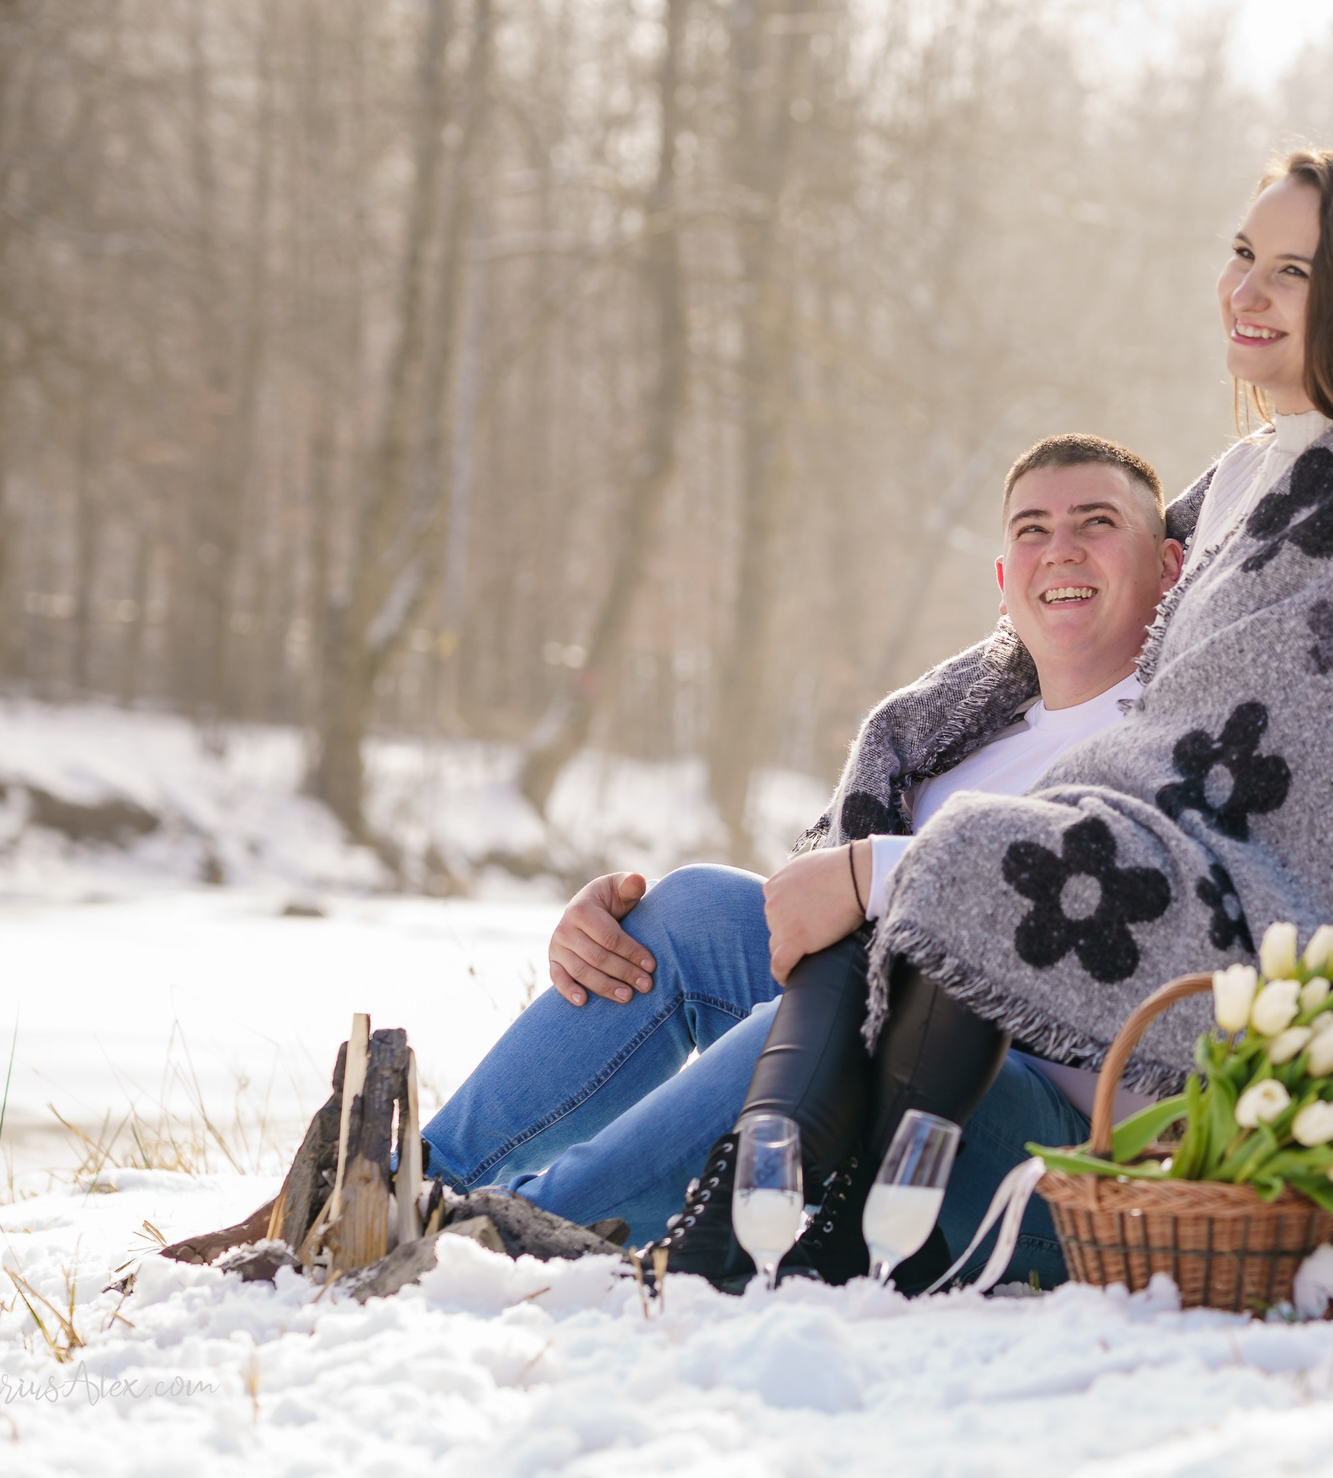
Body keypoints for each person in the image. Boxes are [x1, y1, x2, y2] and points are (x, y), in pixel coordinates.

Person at [658, 148, 1333, 1291]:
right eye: (1240, 256)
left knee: (971, 864)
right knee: (749, 904)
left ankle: (748, 1236)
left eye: (1291, 271)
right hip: (1094, 929)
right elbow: (1077, 630)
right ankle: (490, 1196)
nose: (1246, 292)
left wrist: (900, 863)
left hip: (1221, 982)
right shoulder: (1246, 476)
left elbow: (1263, 778)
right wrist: (900, 776)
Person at [422, 434, 1186, 1288]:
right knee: (693, 908)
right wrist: (604, 929)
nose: (1062, 549)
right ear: (1005, 583)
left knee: (836, 1012)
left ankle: (501, 1235)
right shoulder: (953, 748)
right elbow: (812, 920)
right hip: (875, 1074)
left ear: (1169, 565)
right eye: (1032, 529)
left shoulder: (1179, 739)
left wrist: (885, 875)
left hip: (1050, 1158)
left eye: (1097, 521)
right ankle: (407, 1183)